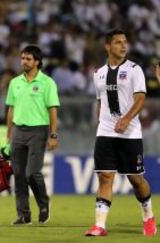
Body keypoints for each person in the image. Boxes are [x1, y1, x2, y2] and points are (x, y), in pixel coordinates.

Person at [84, 29, 157, 237]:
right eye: (118, 42)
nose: (123, 46)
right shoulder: (98, 73)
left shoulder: (135, 70)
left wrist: (126, 119)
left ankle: (148, 214)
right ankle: (99, 225)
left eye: (125, 42)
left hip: (130, 133)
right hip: (106, 133)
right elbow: (100, 102)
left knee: (136, 179)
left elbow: (141, 98)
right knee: (105, 177)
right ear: (108, 46)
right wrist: (101, 123)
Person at [5, 45, 60, 225]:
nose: (24, 62)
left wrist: (53, 135)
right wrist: (8, 138)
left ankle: (44, 205)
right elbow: (11, 111)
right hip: (18, 132)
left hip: (39, 131)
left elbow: (53, 110)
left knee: (32, 173)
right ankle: (23, 215)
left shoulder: (47, 82)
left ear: (37, 61)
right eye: (22, 58)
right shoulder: (15, 82)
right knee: (19, 175)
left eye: (28, 59)